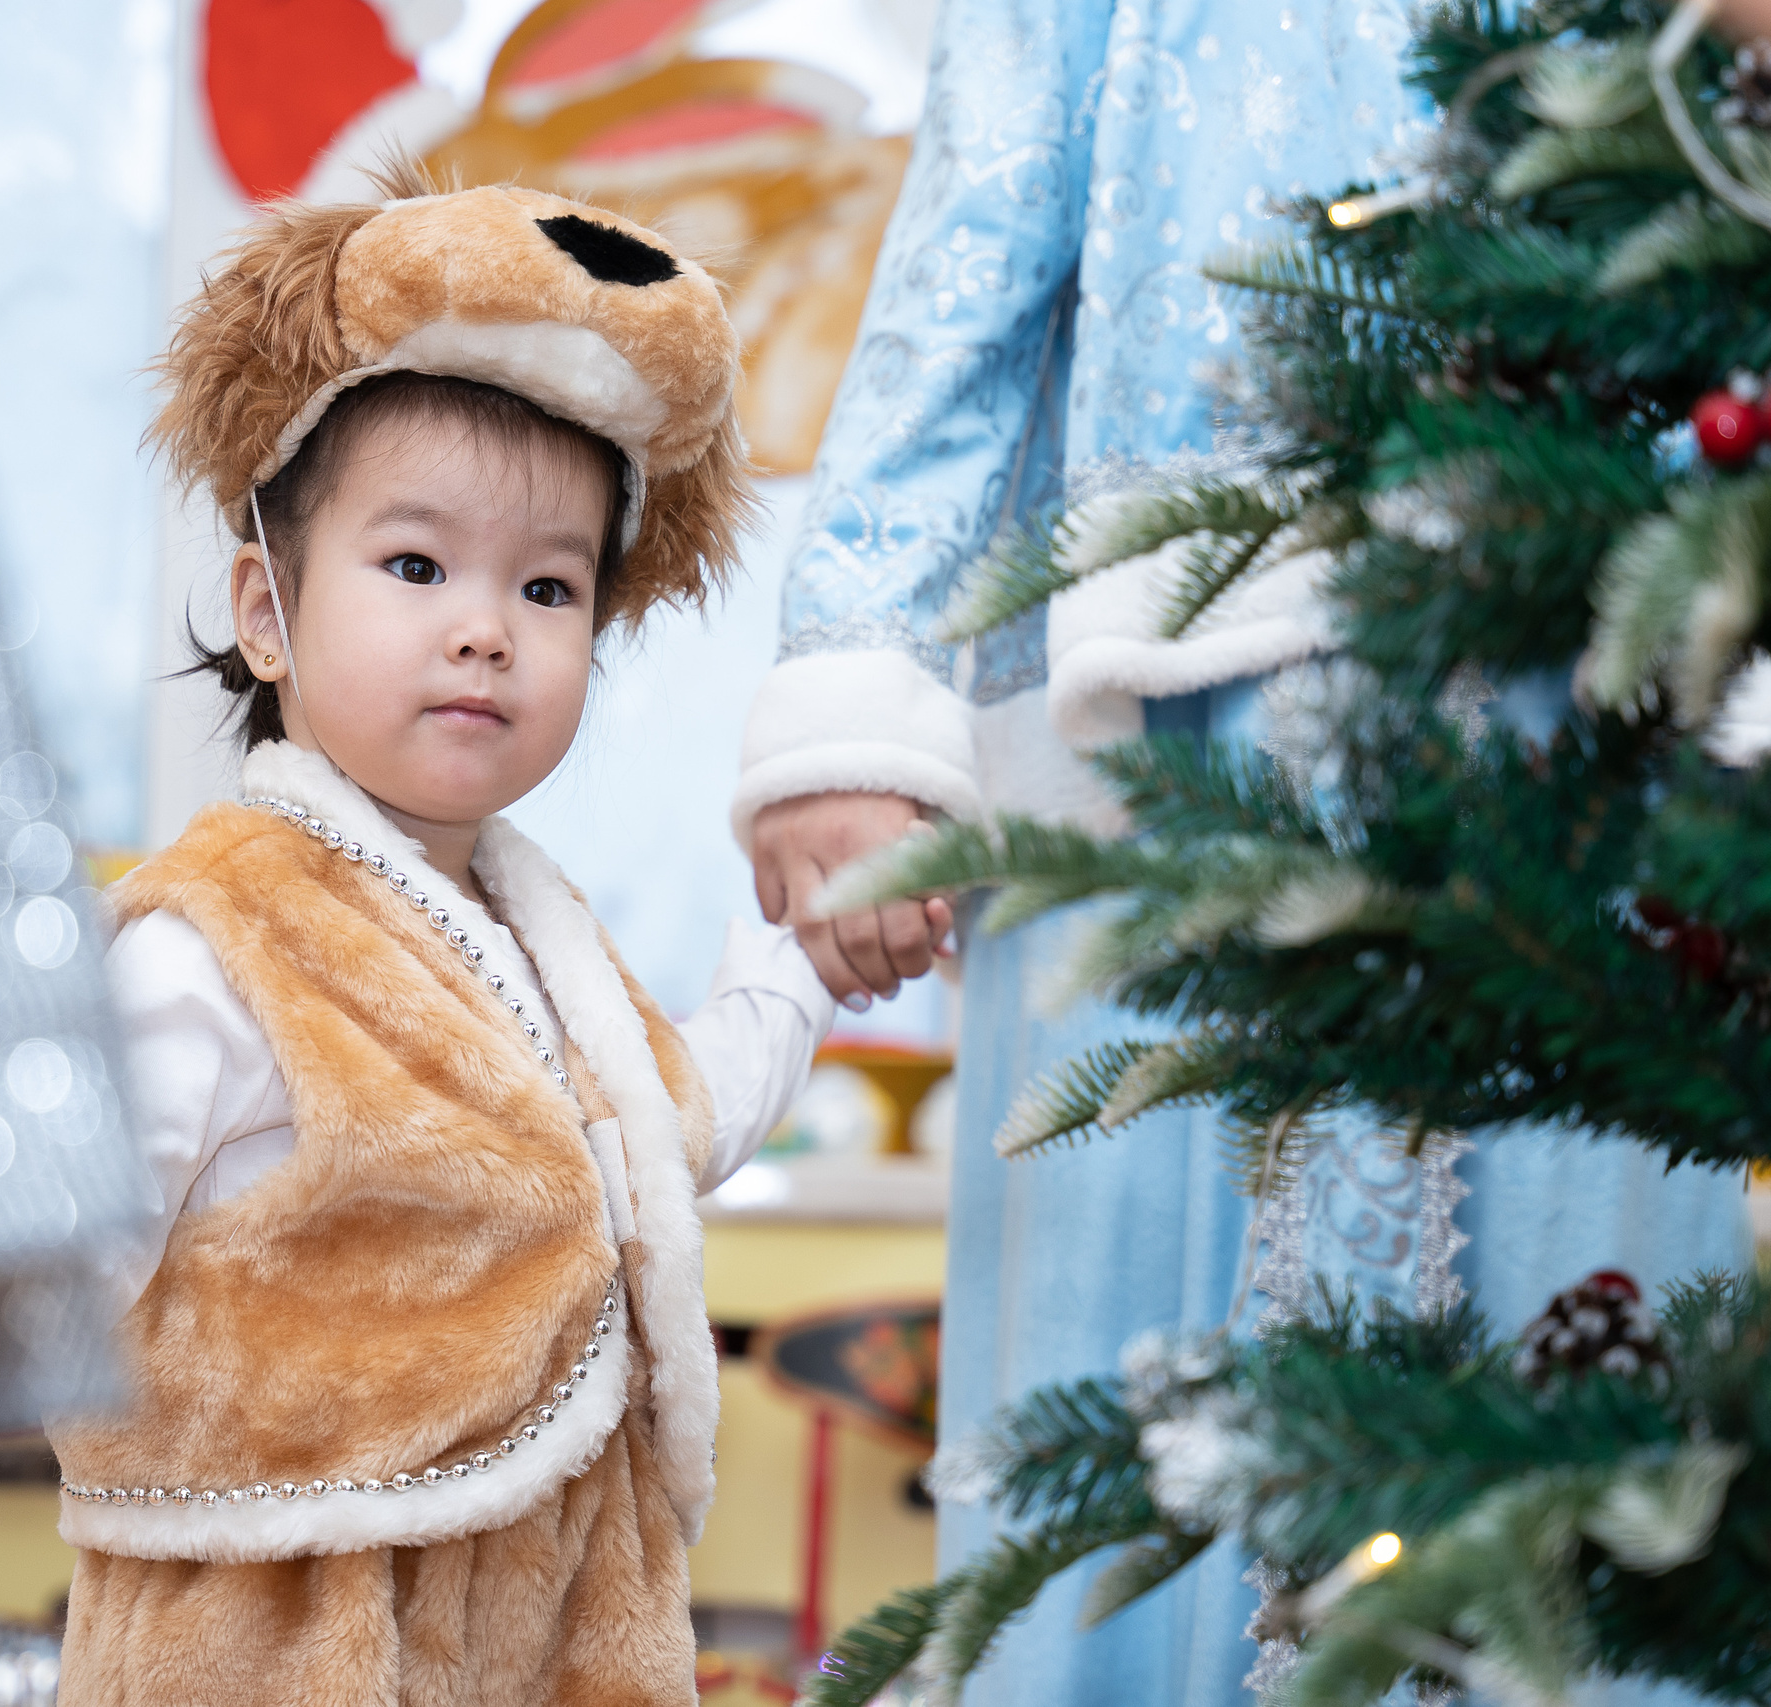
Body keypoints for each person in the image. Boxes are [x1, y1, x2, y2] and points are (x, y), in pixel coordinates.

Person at [734, 3, 1755, 1704]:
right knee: (1120, 1466)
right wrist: (866, 647)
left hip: (1613, 676)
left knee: (1601, 1451)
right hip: (1162, 694)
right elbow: (976, 207)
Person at [0, 167, 839, 1705]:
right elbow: (84, 1215)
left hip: (541, 1628)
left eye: (550, 585)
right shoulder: (218, 936)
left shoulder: (535, 940)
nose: (485, 626)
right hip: (272, 1634)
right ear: (266, 611)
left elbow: (667, 1131)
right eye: (415, 565)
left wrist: (798, 953)